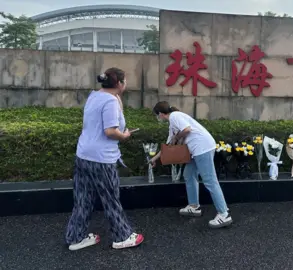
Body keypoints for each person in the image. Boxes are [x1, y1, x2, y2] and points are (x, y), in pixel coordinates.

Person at [65, 67, 144, 251]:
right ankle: (122, 236)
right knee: (110, 198)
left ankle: (76, 237)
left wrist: (118, 95)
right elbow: (110, 131)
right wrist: (124, 136)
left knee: (82, 199)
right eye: (124, 81)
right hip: (101, 159)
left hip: (83, 154)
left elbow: (115, 115)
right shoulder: (110, 101)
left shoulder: (95, 96)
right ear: (120, 83)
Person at [150, 101, 233, 228]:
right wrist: (154, 159)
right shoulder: (173, 122)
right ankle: (194, 206)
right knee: (188, 174)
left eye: (157, 115)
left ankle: (224, 214)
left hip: (202, 148)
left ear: (161, 114)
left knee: (210, 180)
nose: (158, 118)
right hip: (196, 150)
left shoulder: (175, 116)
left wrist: (177, 137)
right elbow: (168, 146)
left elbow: (187, 130)